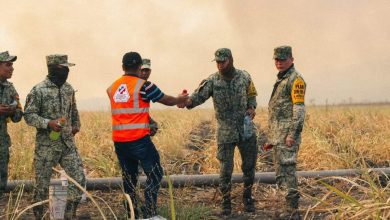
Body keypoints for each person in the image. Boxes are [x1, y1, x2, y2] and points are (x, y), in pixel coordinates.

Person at [106, 51, 188, 219]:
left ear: (123, 67)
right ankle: (150, 213)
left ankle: (131, 213)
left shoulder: (113, 87)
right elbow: (167, 100)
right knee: (156, 173)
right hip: (139, 140)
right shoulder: (144, 85)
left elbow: (127, 110)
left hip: (120, 142)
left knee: (129, 178)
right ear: (139, 67)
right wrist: (181, 98)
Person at [179, 48, 258, 216]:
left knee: (249, 167)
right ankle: (226, 202)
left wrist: (252, 107)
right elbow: (197, 97)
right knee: (225, 170)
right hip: (225, 132)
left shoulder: (245, 76)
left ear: (231, 60)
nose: (220, 65)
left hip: (246, 130)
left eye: (223, 61)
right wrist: (185, 101)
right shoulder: (213, 81)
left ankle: (248, 197)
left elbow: (252, 94)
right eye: (218, 62)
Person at [24, 54, 86, 219]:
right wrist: (48, 123)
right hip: (47, 146)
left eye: (67, 68)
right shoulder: (38, 90)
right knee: (41, 186)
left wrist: (76, 125)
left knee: (79, 179)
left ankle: (68, 215)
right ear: (53, 69)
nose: (67, 71)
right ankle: (40, 217)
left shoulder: (68, 89)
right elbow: (29, 116)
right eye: (63, 68)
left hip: (67, 144)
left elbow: (73, 110)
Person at [267, 46, 306, 219]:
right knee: (281, 173)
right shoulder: (282, 79)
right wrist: (272, 138)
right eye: (276, 59)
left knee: (288, 172)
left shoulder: (295, 80)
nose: (279, 63)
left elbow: (299, 110)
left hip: (287, 138)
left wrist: (292, 135)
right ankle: (288, 208)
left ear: (291, 59)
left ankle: (293, 210)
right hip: (279, 137)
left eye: (282, 59)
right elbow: (278, 113)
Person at [0, 51, 23, 199]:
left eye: (12, 65)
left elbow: (19, 115)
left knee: (2, 173)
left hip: (2, 141)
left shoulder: (10, 88)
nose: (12, 68)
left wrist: (12, 112)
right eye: (8, 65)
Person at [140, 58, 158, 136]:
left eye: (146, 70)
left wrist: (151, 122)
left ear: (150, 71)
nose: (144, 73)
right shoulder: (146, 86)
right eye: (142, 70)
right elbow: (168, 101)